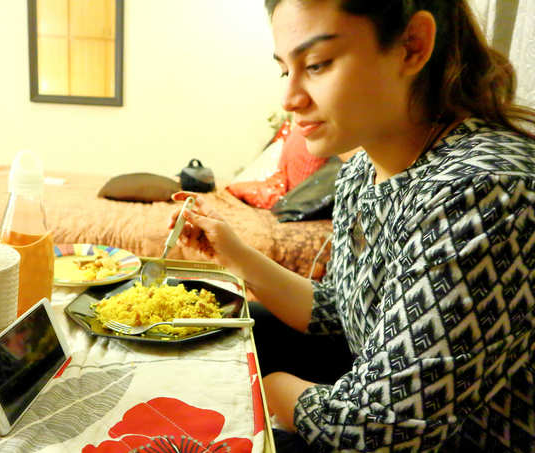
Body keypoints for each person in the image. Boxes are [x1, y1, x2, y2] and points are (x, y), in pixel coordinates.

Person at [169, 0, 535, 451]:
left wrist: (267, 385)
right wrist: (235, 255)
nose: (289, 99)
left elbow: (378, 431)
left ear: (411, 47)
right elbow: (343, 312)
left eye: (318, 64)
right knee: (222, 324)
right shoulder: (362, 170)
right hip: (379, 409)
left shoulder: (484, 191)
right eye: (286, 70)